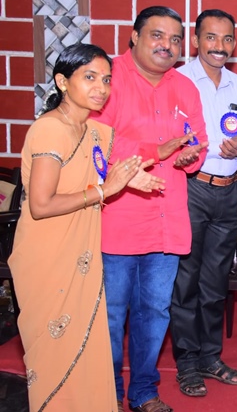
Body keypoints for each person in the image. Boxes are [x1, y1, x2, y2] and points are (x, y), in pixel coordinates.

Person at [8, 44, 164, 411]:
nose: (101, 87)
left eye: (106, 80)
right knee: (55, 354)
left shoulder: (96, 131)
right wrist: (105, 190)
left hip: (82, 254)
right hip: (48, 258)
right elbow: (41, 205)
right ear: (62, 82)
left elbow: (99, 173)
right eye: (89, 77)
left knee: (88, 349)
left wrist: (130, 179)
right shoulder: (50, 130)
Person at [92, 6, 209, 412]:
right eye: (157, 35)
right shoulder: (108, 78)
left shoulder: (185, 87)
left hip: (166, 220)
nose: (167, 45)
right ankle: (107, 392)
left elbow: (198, 142)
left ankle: (143, 391)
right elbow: (98, 142)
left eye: (175, 39)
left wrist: (190, 156)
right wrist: (154, 151)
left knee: (155, 312)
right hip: (116, 219)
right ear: (134, 36)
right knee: (110, 315)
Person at [170, 9, 237, 397]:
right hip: (190, 189)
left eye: (227, 39)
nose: (219, 46)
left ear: (234, 43)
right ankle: (187, 363)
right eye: (211, 37)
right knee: (185, 282)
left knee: (216, 282)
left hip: (229, 191)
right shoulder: (178, 81)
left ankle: (210, 357)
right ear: (195, 41)